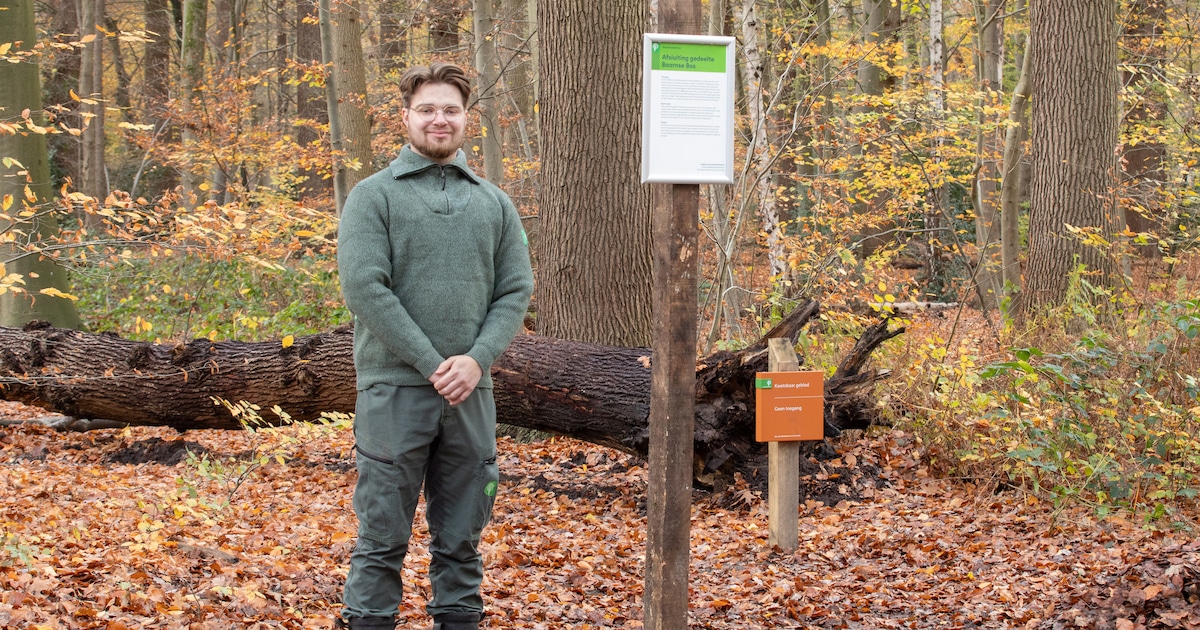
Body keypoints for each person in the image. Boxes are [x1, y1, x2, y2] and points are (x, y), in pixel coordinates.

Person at [334, 62, 534, 630]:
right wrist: (432, 364)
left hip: (472, 395)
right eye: (427, 109)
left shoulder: (494, 204)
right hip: (393, 392)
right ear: (406, 118)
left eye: (450, 109)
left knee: (462, 543)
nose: (439, 119)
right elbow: (365, 289)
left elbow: (516, 289)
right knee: (380, 541)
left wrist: (476, 361)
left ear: (466, 119)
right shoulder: (373, 198)